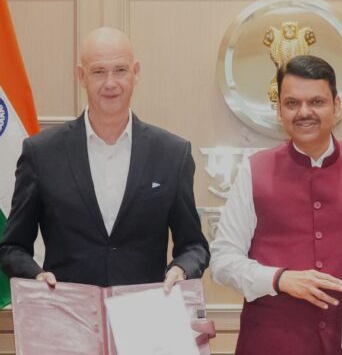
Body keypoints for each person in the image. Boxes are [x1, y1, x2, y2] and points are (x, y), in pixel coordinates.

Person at [210, 55, 342, 354]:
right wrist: (279, 279)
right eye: (292, 103)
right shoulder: (253, 170)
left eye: (316, 102)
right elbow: (223, 260)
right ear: (279, 110)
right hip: (274, 341)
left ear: (336, 106)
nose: (304, 112)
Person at [0, 27, 209, 292]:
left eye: (120, 70)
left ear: (136, 72)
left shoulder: (172, 153)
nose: (110, 83)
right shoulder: (41, 153)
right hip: (67, 310)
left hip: (143, 310)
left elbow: (194, 246)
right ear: (81, 76)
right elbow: (12, 247)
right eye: (98, 72)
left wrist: (181, 269)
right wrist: (36, 276)